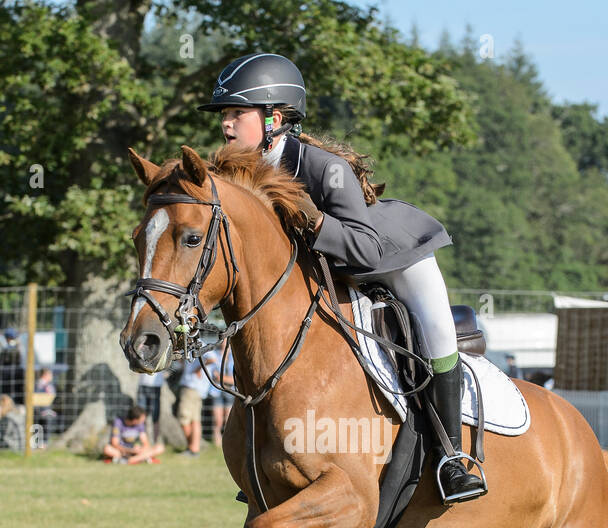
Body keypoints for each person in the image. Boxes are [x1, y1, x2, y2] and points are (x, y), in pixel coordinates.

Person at [201, 52, 486, 503]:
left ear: (274, 118)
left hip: (391, 258)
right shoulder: (236, 174)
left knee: (436, 331)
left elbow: (365, 248)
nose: (227, 125)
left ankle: (454, 456)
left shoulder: (321, 168)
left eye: (237, 113)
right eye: (225, 116)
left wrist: (315, 222)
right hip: (328, 273)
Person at [175, 347, 214, 457]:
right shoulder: (189, 345)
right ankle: (194, 448)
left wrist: (198, 369)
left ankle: (192, 448)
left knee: (183, 418)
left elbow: (212, 359)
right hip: (194, 388)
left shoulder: (201, 343)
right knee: (194, 420)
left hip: (191, 387)